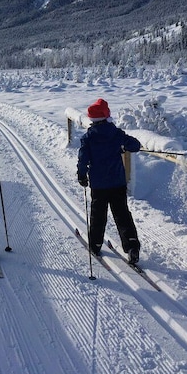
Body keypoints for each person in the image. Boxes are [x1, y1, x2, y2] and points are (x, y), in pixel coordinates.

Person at [76, 98, 142, 263]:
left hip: (99, 184)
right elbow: (135, 145)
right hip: (118, 182)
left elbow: (83, 159)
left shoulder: (88, 137)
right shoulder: (116, 133)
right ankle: (132, 245)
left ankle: (96, 244)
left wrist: (82, 175)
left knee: (98, 215)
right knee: (122, 214)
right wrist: (123, 146)